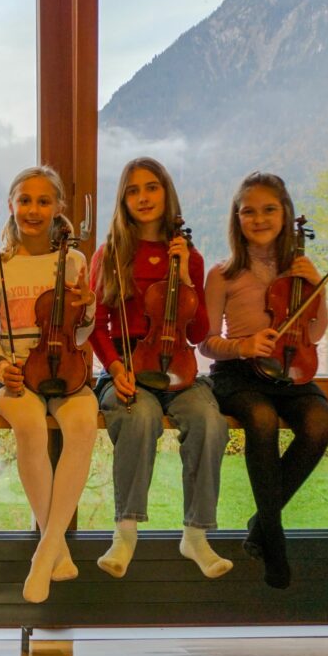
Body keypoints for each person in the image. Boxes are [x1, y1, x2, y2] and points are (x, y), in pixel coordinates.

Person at [89, 157, 232, 579]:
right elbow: (96, 325)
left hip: (180, 370)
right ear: (123, 200)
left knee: (209, 420)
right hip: (126, 365)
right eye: (133, 190)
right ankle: (125, 532)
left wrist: (185, 276)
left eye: (151, 187)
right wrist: (116, 368)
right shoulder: (110, 254)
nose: (143, 197)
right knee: (139, 415)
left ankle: (196, 534)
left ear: (166, 193)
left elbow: (199, 332)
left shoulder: (190, 257)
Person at [200, 171, 328, 589]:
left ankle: (260, 523)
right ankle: (274, 541)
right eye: (249, 212)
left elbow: (314, 333)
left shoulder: (299, 271)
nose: (259, 219)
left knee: (319, 423)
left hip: (290, 366)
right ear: (236, 218)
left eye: (269, 209)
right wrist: (243, 345)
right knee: (260, 419)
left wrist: (317, 289)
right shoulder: (223, 273)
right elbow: (206, 343)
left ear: (285, 213)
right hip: (238, 373)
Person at [0, 166, 97, 602]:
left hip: (65, 370)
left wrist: (87, 308)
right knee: (29, 424)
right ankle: (55, 549)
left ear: (58, 207)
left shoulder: (74, 261)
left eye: (44, 201)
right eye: (25, 200)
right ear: (11, 205)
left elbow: (81, 333)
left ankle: (44, 554)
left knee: (83, 423)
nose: (33, 209)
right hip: (15, 374)